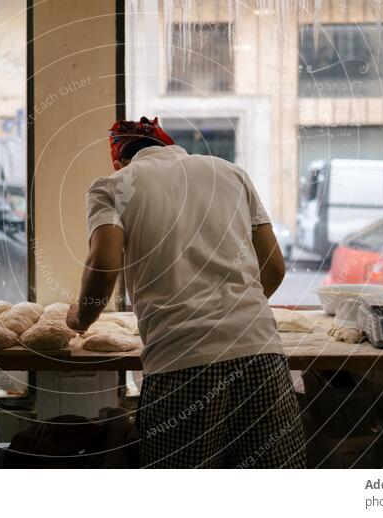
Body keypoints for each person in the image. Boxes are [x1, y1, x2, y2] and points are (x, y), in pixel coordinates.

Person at [66, 116, 306, 468]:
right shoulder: (230, 173)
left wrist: (80, 317)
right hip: (261, 355)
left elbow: (103, 266)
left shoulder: (112, 186)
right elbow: (273, 268)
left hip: (182, 366)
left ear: (119, 162)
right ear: (170, 146)